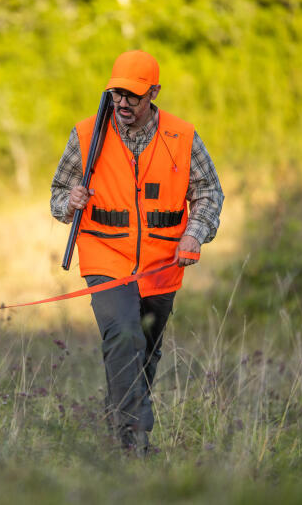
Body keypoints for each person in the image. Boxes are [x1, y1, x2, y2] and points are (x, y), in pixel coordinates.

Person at [50, 50, 224, 455]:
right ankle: (134, 444)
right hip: (106, 257)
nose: (124, 103)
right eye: (117, 94)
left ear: (154, 93)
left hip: (162, 266)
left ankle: (119, 429)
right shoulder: (86, 134)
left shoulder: (182, 137)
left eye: (133, 95)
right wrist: (69, 201)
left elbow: (209, 192)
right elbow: (58, 194)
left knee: (144, 352)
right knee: (123, 334)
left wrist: (194, 235)